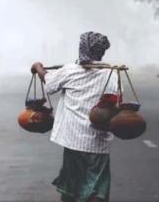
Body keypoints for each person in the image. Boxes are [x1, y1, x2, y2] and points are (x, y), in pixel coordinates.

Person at [31, 31, 118, 202]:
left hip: (73, 140)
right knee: (96, 186)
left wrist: (38, 67)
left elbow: (49, 83)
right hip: (98, 142)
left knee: (72, 186)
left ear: (82, 49)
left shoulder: (69, 71)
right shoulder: (111, 73)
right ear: (101, 52)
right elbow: (114, 101)